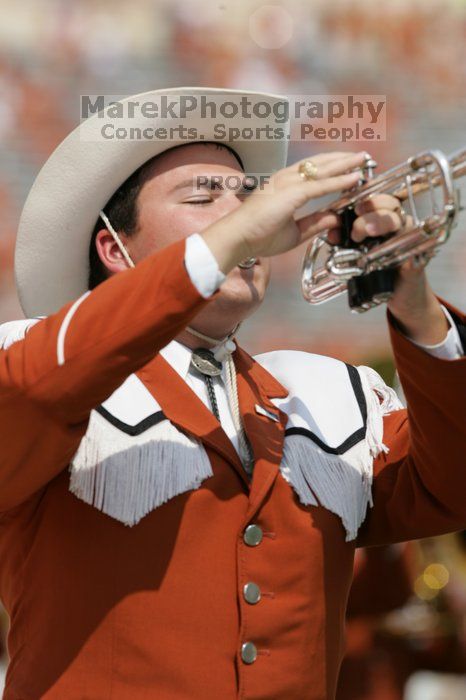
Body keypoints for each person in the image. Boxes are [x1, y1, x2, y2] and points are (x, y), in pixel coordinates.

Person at [0, 87, 464, 699]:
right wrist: (237, 232)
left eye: (247, 195)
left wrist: (414, 301)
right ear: (114, 249)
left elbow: (450, 486)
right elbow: (38, 387)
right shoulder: (40, 357)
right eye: (202, 197)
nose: (249, 213)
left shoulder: (319, 392)